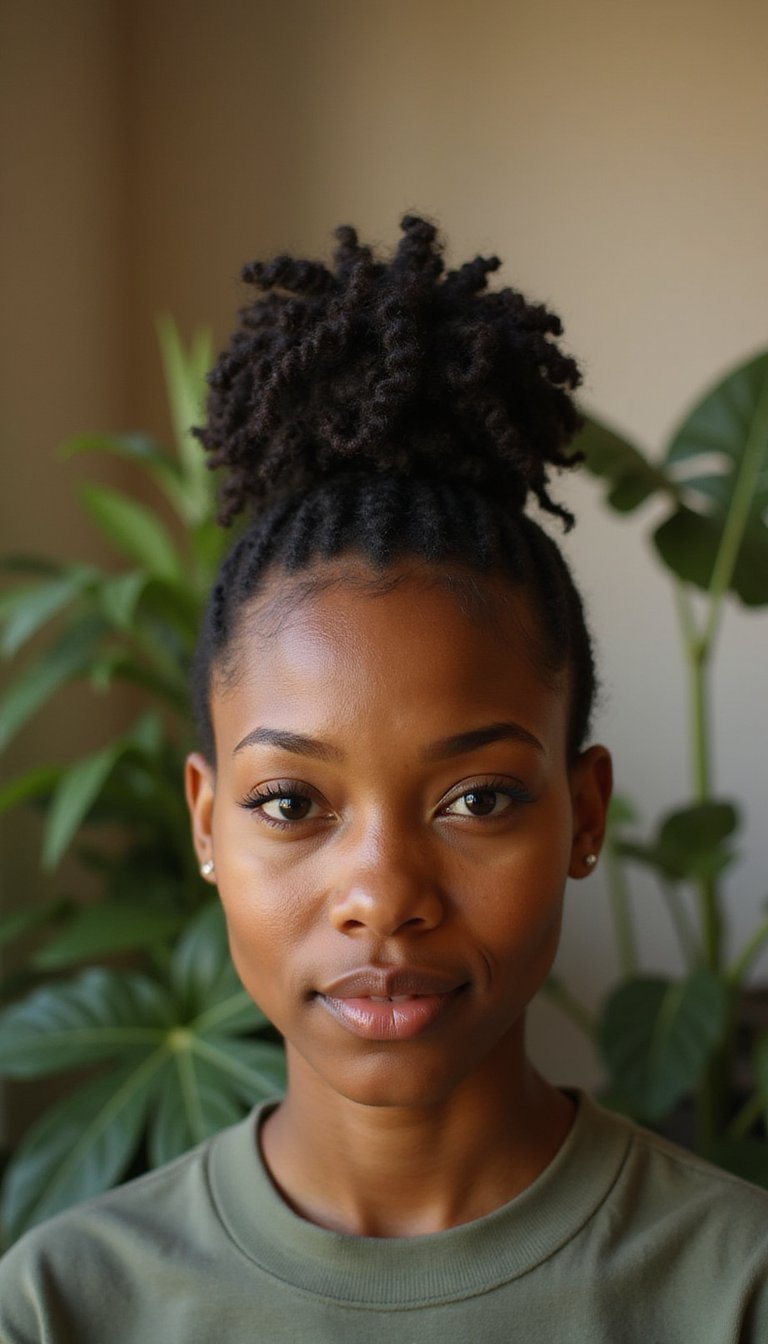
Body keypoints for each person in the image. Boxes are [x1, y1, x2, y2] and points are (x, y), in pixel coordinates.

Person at [2, 215, 767, 1342]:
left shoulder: (736, 1291)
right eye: (291, 803)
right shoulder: (63, 1305)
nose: (383, 893)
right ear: (208, 826)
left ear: (583, 813)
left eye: (480, 799)